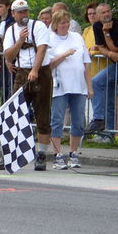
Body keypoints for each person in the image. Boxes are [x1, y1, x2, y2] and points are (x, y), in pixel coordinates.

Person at [0, 0, 52, 171]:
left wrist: (35, 70)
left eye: (25, 11)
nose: (23, 15)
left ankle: (42, 155)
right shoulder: (10, 31)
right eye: (20, 12)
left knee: (43, 114)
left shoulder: (39, 26)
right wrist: (20, 41)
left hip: (41, 72)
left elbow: (42, 49)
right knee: (15, 114)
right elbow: (8, 55)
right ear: (13, 14)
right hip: (21, 73)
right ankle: (10, 155)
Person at [48, 10, 92, 169]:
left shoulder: (77, 37)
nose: (65, 25)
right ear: (56, 24)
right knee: (57, 120)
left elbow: (86, 63)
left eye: (67, 22)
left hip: (78, 85)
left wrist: (89, 86)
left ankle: (73, 153)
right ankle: (57, 154)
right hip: (60, 85)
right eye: (62, 23)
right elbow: (49, 64)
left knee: (78, 121)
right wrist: (64, 55)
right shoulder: (50, 39)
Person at [86, 3, 118, 139]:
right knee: (96, 82)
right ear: (98, 15)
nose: (107, 14)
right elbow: (101, 47)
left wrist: (107, 33)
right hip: (117, 65)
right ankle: (99, 120)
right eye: (103, 13)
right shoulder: (97, 26)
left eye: (108, 11)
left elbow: (116, 50)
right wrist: (109, 54)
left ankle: (116, 130)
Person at [0, 0, 15, 99]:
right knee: (3, 85)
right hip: (1, 56)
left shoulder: (13, 21)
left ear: (8, 7)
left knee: (11, 85)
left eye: (0, 7)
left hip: (12, 56)